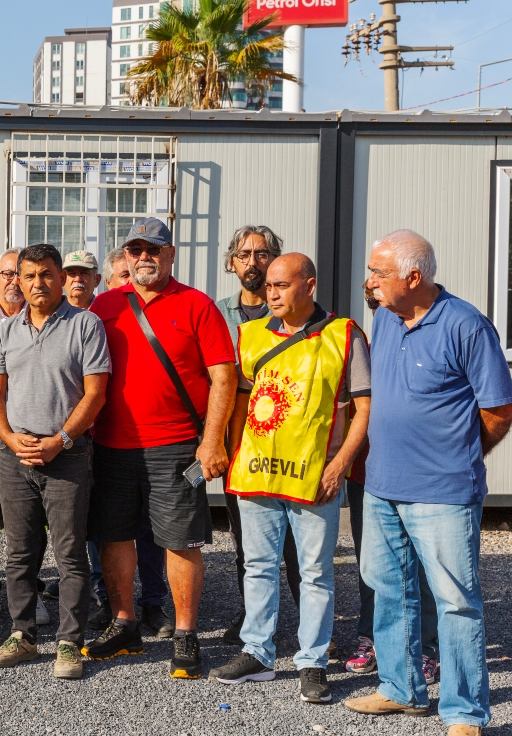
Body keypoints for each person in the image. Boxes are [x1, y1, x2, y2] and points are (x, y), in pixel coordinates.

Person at [345, 231, 512, 736]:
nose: (368, 282)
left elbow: (499, 411)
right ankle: (402, 689)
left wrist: (458, 455)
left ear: (412, 278)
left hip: (443, 490)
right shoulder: (386, 318)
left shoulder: (465, 325)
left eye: (378, 272)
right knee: (389, 589)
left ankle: (464, 713)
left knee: (456, 601)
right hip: (382, 486)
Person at [209, 253, 370, 705]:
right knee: (258, 566)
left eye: (281, 285)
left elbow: (365, 410)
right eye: (269, 286)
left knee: (316, 572)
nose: (271, 292)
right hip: (257, 473)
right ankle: (258, 652)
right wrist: (232, 451)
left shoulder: (343, 335)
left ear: (309, 285)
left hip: (313, 478)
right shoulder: (251, 334)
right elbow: (239, 403)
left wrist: (340, 465)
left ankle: (312, 661)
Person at [85, 218, 237, 679]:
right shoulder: (104, 305)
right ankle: (125, 624)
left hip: (176, 448)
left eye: (154, 249)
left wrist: (211, 442)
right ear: (125, 258)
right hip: (111, 445)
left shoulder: (197, 305)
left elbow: (223, 378)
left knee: (180, 539)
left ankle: (186, 634)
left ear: (171, 255)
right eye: (135, 250)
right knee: (113, 535)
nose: (144, 257)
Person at [0, 243, 111, 680]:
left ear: (60, 278)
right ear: (16, 279)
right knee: (20, 552)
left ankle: (69, 643)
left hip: (67, 457)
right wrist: (8, 438)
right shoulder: (6, 330)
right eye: (29, 275)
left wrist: (61, 439)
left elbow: (96, 393)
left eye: (47, 274)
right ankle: (22, 635)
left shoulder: (86, 325)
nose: (38, 283)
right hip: (14, 456)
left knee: (71, 552)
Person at [66, 248, 171, 637]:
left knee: (148, 527)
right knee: (104, 527)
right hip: (95, 437)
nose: (129, 282)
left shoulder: (128, 313)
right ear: (108, 283)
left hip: (143, 436)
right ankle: (106, 600)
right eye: (122, 276)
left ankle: (153, 603)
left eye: (132, 274)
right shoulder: (91, 318)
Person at [343, 277, 440, 683]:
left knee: (420, 564)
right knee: (375, 566)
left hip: (419, 473)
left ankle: (426, 645)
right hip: (367, 471)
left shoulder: (430, 336)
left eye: (382, 296)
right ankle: (372, 637)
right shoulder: (363, 338)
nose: (378, 305)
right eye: (374, 301)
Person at [213, 225, 302, 645]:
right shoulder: (215, 313)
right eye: (244, 255)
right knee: (246, 540)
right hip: (238, 445)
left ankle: (310, 621)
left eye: (262, 254)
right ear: (232, 263)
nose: (253, 262)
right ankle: (253, 619)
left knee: (297, 546)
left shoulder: (293, 311)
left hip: (288, 445)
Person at [0, 247, 48, 626]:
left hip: (28, 425)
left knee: (30, 517)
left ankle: (31, 591)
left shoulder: (40, 316)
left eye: (17, 274)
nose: (12, 282)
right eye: (5, 274)